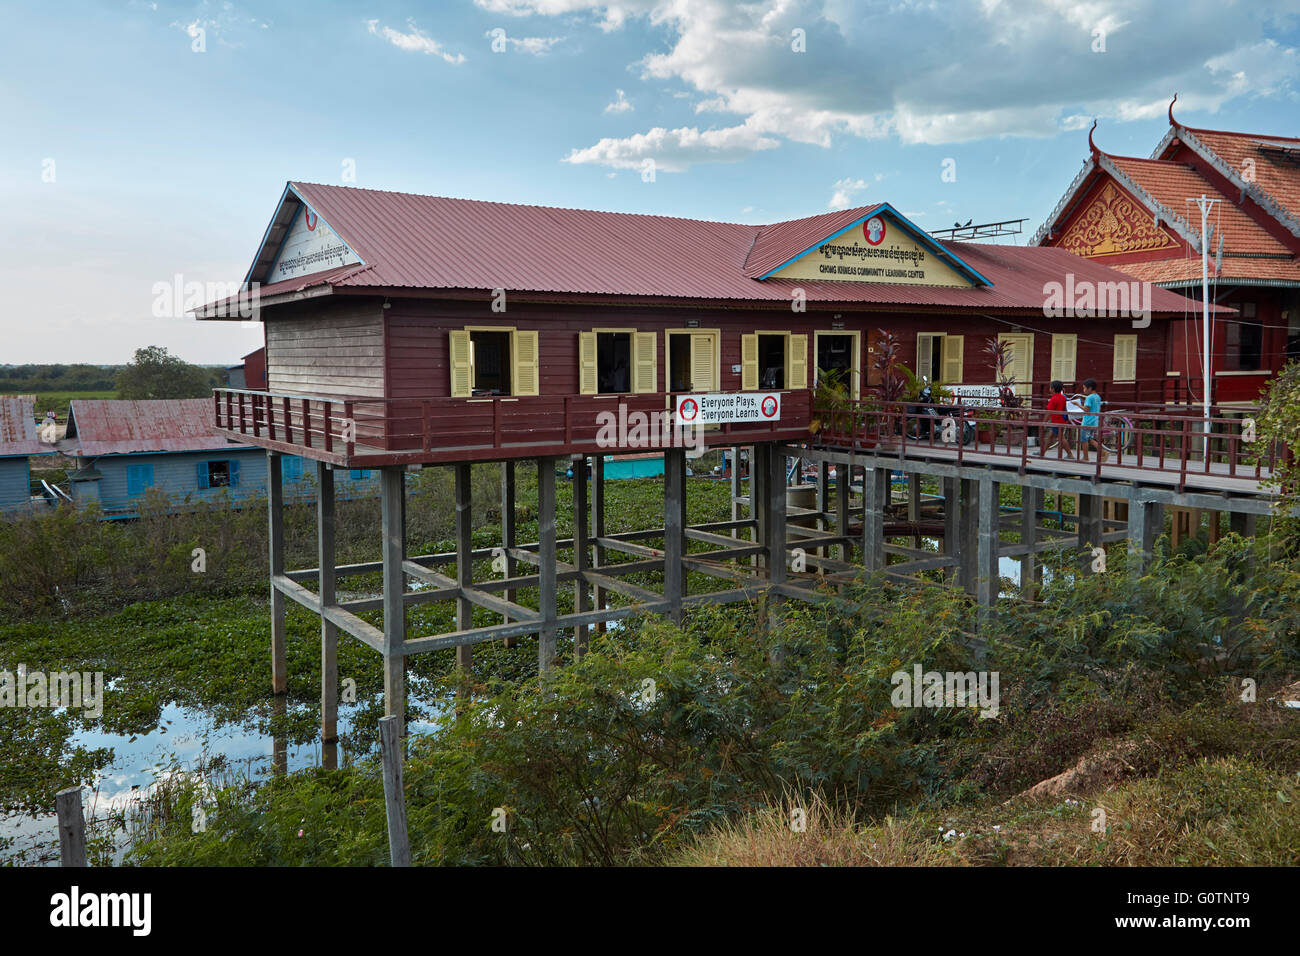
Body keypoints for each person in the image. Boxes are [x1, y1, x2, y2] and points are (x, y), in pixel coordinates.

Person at [1040, 380, 1073, 458]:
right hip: (1061, 420)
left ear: (1053, 389)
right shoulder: (1062, 397)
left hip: (1056, 421)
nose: (1049, 389)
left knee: (1061, 438)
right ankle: (1042, 453)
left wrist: (1043, 422)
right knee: (1050, 437)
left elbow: (1049, 412)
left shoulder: (1053, 399)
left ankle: (1070, 454)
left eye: (1050, 388)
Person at [1079, 378, 1107, 463]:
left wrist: (1077, 404)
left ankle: (1086, 457)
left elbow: (1086, 409)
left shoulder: (1089, 397)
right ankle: (1103, 452)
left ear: (1090, 388)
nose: (1083, 390)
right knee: (1090, 439)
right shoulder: (1097, 397)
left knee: (1084, 440)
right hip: (1094, 421)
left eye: (1084, 388)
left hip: (1087, 421)